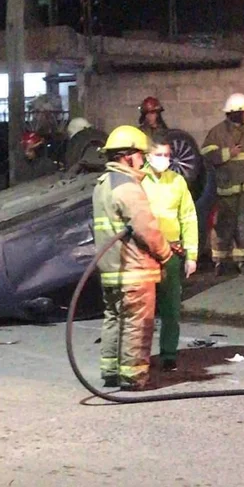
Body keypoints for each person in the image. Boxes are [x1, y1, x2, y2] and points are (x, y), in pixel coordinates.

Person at [93, 125, 172, 390]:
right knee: (137, 323)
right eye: (140, 155)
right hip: (134, 269)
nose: (143, 160)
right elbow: (146, 229)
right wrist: (165, 252)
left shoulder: (102, 185)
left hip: (110, 269)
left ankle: (111, 371)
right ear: (128, 156)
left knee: (114, 318)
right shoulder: (127, 186)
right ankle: (133, 376)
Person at [141, 131, 198, 372]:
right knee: (143, 310)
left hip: (172, 251)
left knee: (171, 307)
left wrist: (191, 255)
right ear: (147, 155)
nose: (164, 159)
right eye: (159, 154)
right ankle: (140, 357)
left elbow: (188, 217)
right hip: (145, 253)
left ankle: (168, 354)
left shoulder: (177, 181)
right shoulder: (137, 180)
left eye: (167, 155)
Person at [200, 93, 244, 276]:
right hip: (227, 190)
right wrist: (228, 153)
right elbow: (206, 155)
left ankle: (243, 261)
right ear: (235, 112)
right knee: (224, 227)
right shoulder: (217, 132)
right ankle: (220, 262)